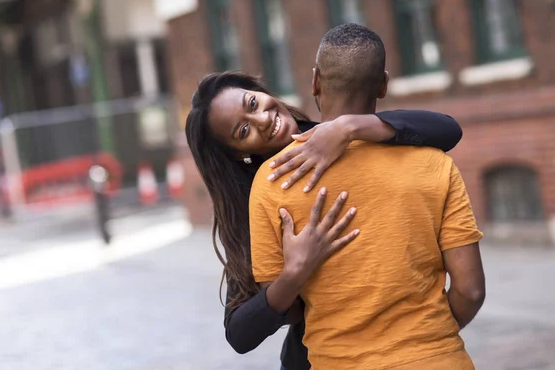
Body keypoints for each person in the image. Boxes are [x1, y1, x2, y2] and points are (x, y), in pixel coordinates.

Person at [186, 73, 463, 370]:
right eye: (243, 130)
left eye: (252, 103)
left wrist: (349, 126)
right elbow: (239, 334)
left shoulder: (341, 135)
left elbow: (447, 130)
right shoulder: (253, 198)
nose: (262, 119)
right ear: (238, 152)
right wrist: (294, 273)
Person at [248, 23, 485, 369]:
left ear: (315, 81)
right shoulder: (436, 164)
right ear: (384, 84)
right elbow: (471, 291)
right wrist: (426, 340)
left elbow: (286, 307)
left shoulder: (272, 180)